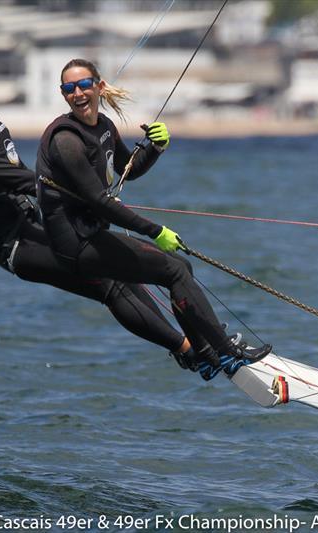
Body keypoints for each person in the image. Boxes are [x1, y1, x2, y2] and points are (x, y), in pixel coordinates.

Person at [0, 49, 206, 374]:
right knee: (110, 284)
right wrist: (90, 197)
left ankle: (201, 342)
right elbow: (26, 181)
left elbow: (118, 167)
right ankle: (190, 351)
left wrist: (152, 149)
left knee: (125, 270)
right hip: (16, 246)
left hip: (41, 226)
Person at [35, 58, 271, 378]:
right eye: (68, 88)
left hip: (91, 234)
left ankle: (204, 353)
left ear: (99, 87)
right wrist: (154, 230)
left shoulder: (103, 126)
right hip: (74, 243)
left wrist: (155, 147)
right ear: (63, 94)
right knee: (174, 271)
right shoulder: (67, 139)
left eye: (83, 85)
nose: (77, 93)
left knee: (179, 269)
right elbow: (98, 200)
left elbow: (126, 169)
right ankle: (226, 353)